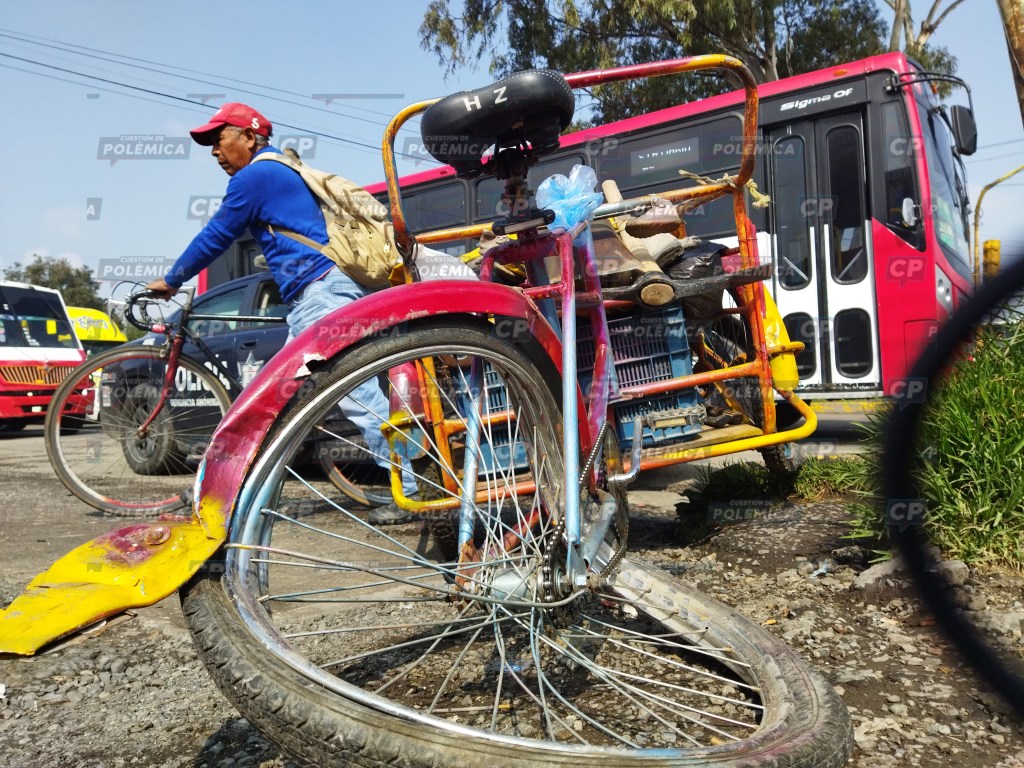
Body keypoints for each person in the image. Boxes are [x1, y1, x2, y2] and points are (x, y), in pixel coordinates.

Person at [146, 102, 414, 525]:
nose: (215, 152)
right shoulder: (281, 170)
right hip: (315, 296)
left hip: (319, 296)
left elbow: (218, 232)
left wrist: (173, 278)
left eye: (219, 141)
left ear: (249, 137)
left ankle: (415, 488)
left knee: (358, 398)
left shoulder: (256, 175)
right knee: (275, 399)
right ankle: (226, 491)